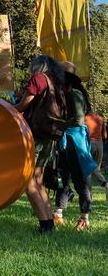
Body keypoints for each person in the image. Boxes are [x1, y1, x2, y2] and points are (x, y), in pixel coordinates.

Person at [14, 55, 66, 234]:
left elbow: (22, 105)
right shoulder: (56, 82)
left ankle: (45, 224)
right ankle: (49, 223)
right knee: (38, 180)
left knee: (28, 182)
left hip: (34, 135)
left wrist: (8, 106)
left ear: (39, 66)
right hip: (49, 137)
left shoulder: (38, 79)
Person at [53, 62, 96, 231]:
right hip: (66, 139)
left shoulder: (75, 94)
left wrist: (56, 122)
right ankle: (58, 214)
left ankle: (84, 218)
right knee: (63, 179)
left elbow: (78, 120)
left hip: (75, 141)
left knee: (81, 180)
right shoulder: (66, 93)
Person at [84, 111, 108, 196]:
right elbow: (105, 135)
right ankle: (104, 183)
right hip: (100, 145)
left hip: (89, 144)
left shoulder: (84, 119)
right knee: (96, 168)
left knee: (88, 169)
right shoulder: (101, 119)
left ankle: (89, 195)